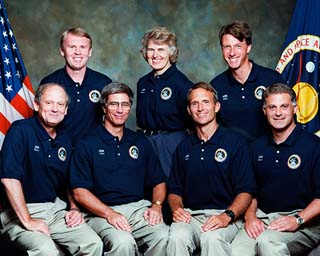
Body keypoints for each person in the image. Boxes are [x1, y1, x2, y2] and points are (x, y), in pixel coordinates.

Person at [0, 83, 103, 256]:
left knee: (92, 244)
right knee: (46, 249)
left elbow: (70, 179)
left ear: (66, 110)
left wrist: (74, 208)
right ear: (36, 105)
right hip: (18, 211)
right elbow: (9, 179)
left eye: (60, 104)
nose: (55, 109)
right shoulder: (20, 131)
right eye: (49, 103)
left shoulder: (65, 139)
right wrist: (28, 220)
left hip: (53, 209)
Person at [69, 82, 169, 255]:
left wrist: (157, 206)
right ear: (104, 107)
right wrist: (110, 214)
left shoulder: (140, 141)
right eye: (114, 104)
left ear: (130, 107)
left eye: (125, 104)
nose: (120, 110)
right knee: (123, 242)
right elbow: (79, 192)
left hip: (138, 209)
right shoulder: (87, 143)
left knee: (163, 236)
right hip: (99, 212)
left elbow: (159, 181)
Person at [166, 82, 256, 255]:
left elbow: (246, 191)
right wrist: (177, 209)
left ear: (217, 106)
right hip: (192, 216)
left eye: (206, 102)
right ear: (189, 110)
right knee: (177, 236)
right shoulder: (184, 147)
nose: (200, 108)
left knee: (211, 238)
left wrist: (227, 215)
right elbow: (174, 190)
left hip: (227, 216)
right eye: (195, 104)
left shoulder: (235, 143)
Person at [231, 83, 320, 256]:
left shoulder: (313, 146)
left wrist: (298, 219)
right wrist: (250, 217)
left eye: (284, 106)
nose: (278, 113)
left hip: (305, 222)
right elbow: (250, 192)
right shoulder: (255, 148)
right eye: (272, 107)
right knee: (237, 251)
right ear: (265, 111)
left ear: (295, 108)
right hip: (264, 218)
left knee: (267, 243)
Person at [210, 20, 284, 142]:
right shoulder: (216, 85)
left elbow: (289, 120)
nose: (232, 53)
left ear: (248, 47)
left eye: (238, 46)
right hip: (232, 156)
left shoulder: (272, 79)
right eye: (227, 47)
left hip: (267, 155)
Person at [137, 26, 193, 178]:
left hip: (171, 144)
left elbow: (193, 122)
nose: (155, 55)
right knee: (145, 186)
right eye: (150, 50)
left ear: (171, 52)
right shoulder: (143, 83)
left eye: (161, 49)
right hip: (145, 141)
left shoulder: (182, 84)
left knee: (170, 188)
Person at [40, 27, 112, 145]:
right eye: (72, 47)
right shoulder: (49, 83)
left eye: (82, 47)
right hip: (58, 152)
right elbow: (39, 125)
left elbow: (114, 121)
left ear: (90, 52)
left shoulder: (104, 83)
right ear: (62, 51)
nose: (77, 52)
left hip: (93, 153)